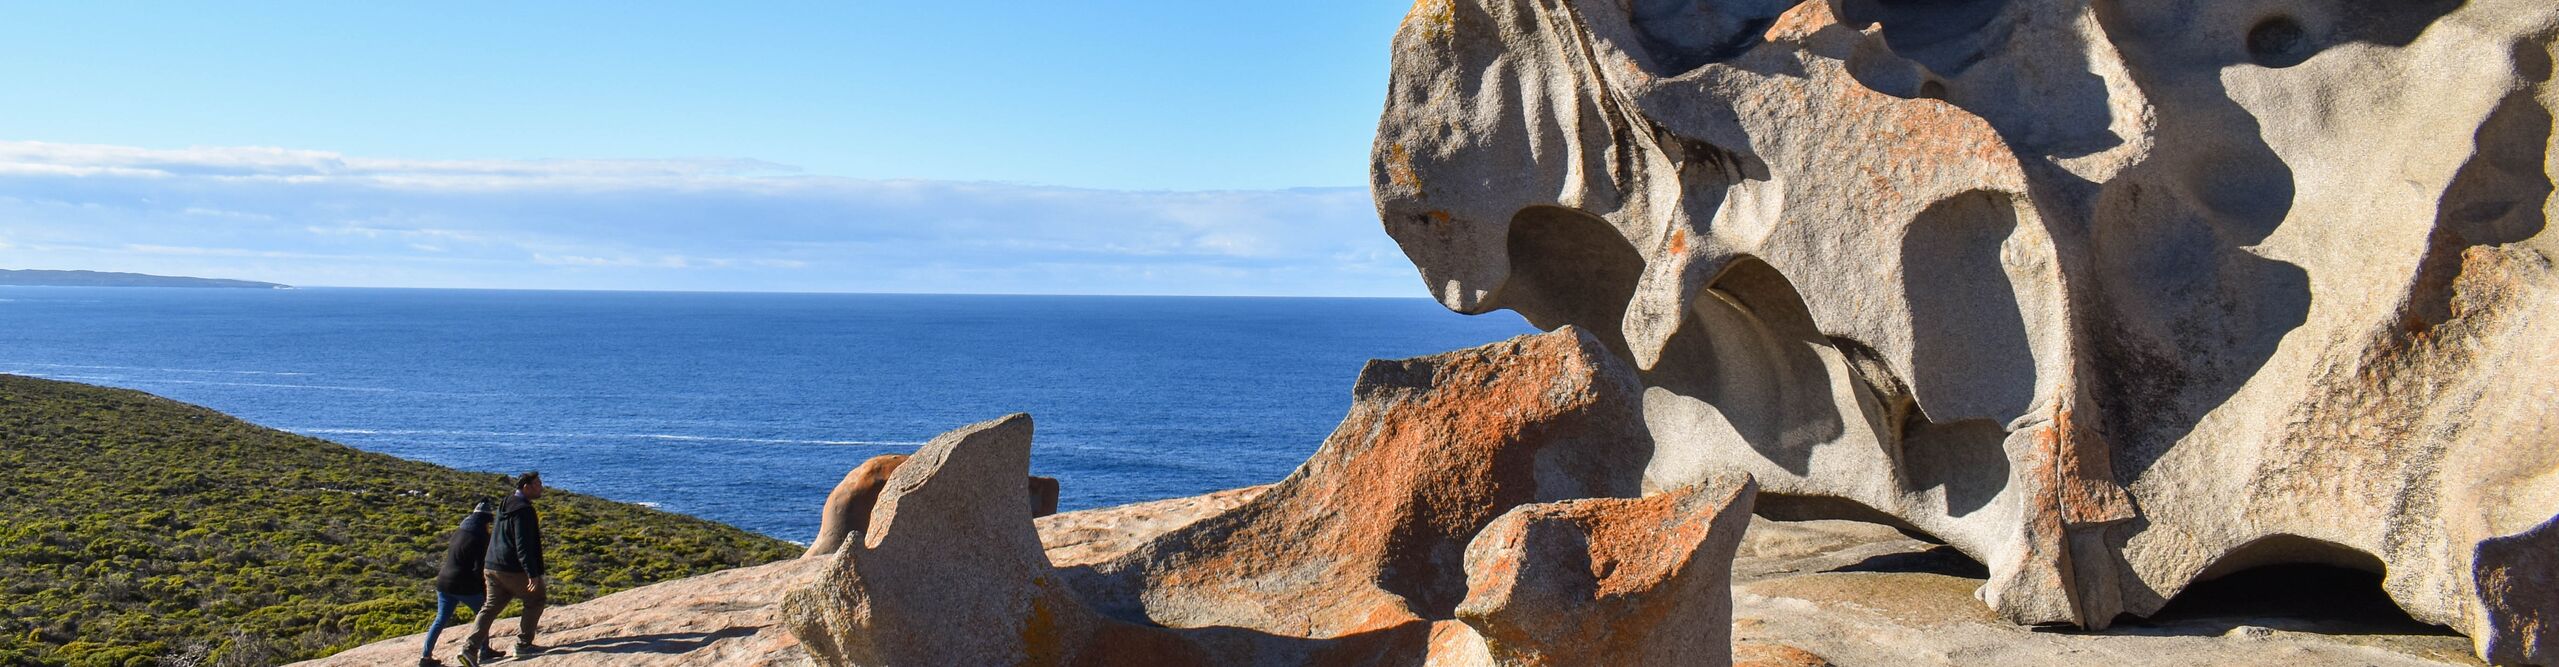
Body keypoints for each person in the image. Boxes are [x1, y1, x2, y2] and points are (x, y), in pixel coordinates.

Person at [467, 472, 550, 662]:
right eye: (538, 484)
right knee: (536, 598)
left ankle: (469, 649)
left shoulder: (506, 503)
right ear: (526, 487)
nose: (541, 488)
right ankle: (523, 645)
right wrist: (532, 573)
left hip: (491, 565)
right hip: (510, 568)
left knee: (490, 607)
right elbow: (523, 545)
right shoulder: (523, 510)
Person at [420, 501, 494, 667]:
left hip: (444, 582)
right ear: (484, 521)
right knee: (484, 614)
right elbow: (479, 568)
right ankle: (484, 651)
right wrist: (484, 589)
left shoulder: (460, 531)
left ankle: (425, 658)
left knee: (440, 620)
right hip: (464, 585)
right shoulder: (480, 536)